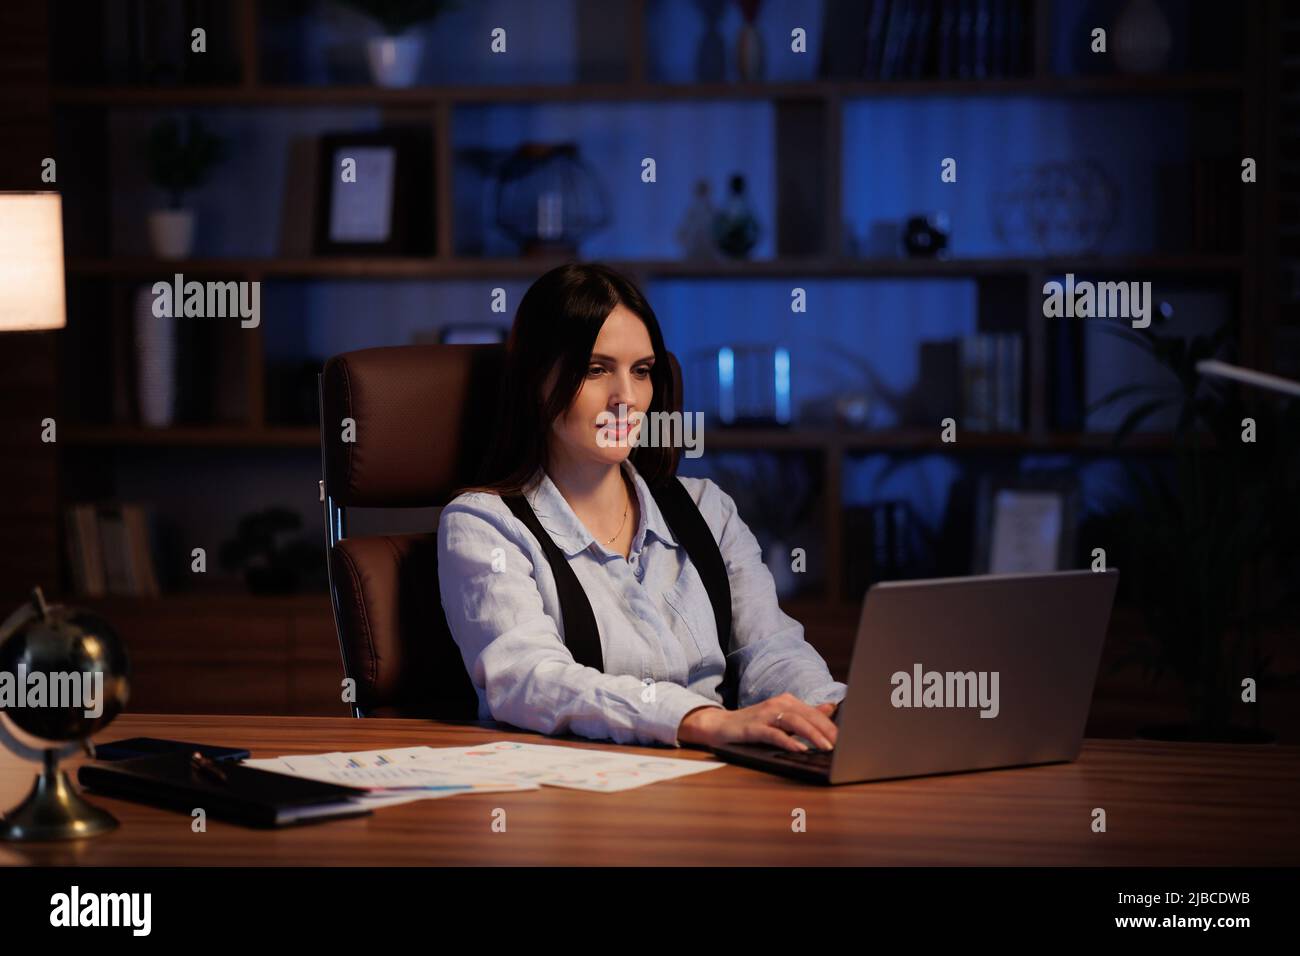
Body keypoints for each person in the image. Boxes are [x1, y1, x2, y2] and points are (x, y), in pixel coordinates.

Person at [437, 262, 844, 752]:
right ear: (536, 380)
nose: (626, 398)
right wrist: (700, 720)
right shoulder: (485, 525)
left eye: (642, 372)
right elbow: (530, 678)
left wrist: (830, 712)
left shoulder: (706, 508)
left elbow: (770, 648)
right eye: (595, 369)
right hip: (577, 801)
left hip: (720, 780)